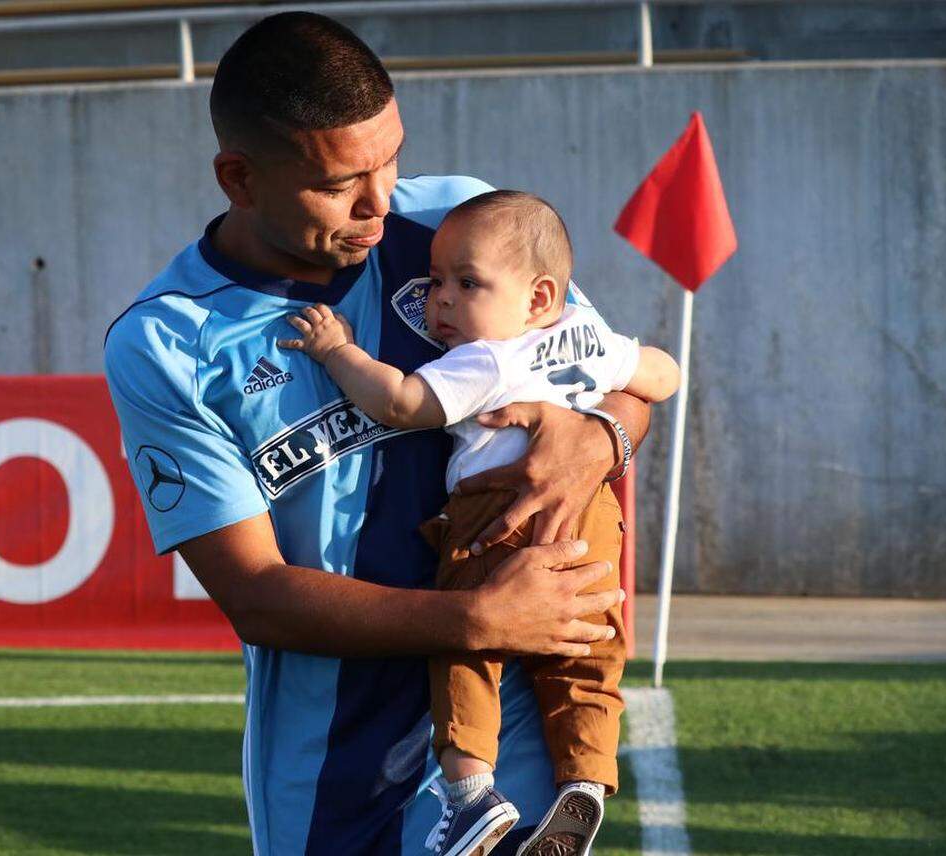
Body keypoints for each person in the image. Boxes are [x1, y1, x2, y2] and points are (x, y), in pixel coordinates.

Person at [103, 12, 651, 855]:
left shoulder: (460, 230)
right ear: (240, 179)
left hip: (508, 714)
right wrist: (476, 617)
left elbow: (616, 384)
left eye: (391, 157)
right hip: (333, 759)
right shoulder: (167, 342)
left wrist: (600, 436)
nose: (381, 200)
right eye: (340, 183)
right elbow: (255, 595)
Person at [281, 190, 678, 856]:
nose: (441, 301)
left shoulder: (486, 359)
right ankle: (584, 779)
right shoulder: (584, 337)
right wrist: (600, 425)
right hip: (591, 521)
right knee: (588, 653)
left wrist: (336, 352)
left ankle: (470, 796)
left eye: (468, 283)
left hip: (491, 516)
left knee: (467, 650)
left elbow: (401, 401)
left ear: (538, 297)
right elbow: (663, 373)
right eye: (437, 281)